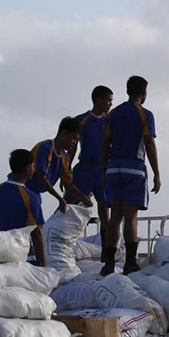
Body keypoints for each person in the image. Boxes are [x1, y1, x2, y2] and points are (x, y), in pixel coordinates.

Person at [101, 75, 160, 275]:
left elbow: (105, 143)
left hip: (113, 167)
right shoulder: (145, 115)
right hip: (133, 167)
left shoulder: (114, 114)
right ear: (143, 94)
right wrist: (157, 173)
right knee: (131, 216)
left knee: (114, 216)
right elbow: (149, 144)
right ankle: (130, 262)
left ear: (127, 91)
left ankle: (108, 262)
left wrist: (103, 169)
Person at [69, 85, 113, 256]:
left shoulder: (111, 120)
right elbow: (72, 147)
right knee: (71, 203)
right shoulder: (82, 120)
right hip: (85, 167)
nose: (110, 104)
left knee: (104, 209)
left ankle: (106, 250)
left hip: (103, 169)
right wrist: (67, 170)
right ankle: (60, 238)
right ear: (98, 99)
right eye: (108, 100)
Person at [0, 149, 47, 266]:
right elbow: (36, 233)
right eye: (33, 166)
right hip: (21, 256)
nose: (34, 170)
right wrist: (44, 266)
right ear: (27, 169)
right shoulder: (30, 197)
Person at [27, 117, 93, 215]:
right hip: (23, 189)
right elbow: (41, 177)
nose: (74, 143)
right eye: (73, 138)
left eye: (77, 140)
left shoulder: (64, 157)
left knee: (35, 225)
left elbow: (68, 184)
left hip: (35, 193)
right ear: (64, 134)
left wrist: (84, 198)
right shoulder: (45, 149)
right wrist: (60, 199)